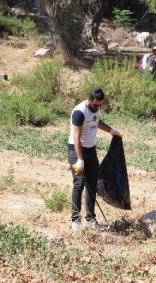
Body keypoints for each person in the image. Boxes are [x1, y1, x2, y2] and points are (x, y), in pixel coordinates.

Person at [68, 88, 121, 231]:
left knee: (92, 184)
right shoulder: (79, 113)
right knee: (79, 184)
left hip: (91, 151)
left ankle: (90, 218)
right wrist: (80, 159)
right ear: (89, 99)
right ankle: (75, 220)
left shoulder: (95, 110)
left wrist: (110, 130)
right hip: (77, 150)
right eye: (95, 105)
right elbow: (77, 138)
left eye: (100, 105)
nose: (97, 107)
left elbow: (96, 121)